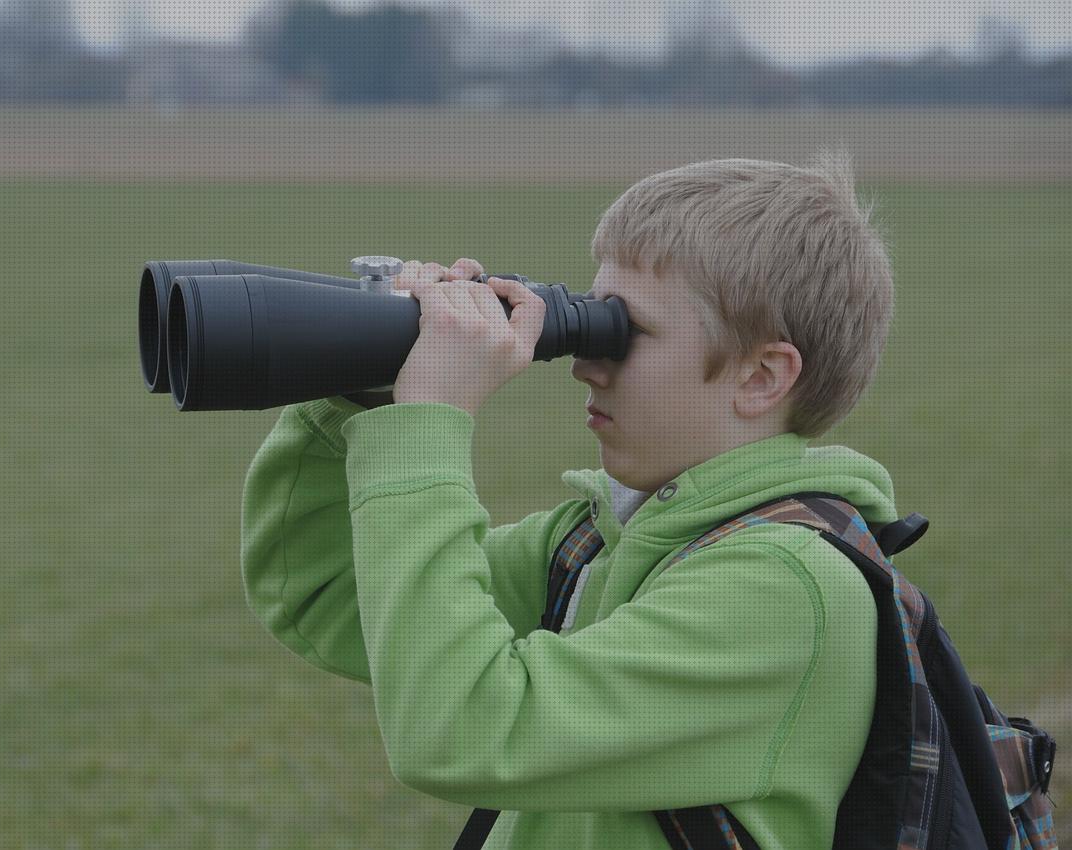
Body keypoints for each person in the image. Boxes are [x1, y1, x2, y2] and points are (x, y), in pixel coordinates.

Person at [240, 151, 897, 849]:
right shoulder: (601, 542)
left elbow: (464, 731)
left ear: (761, 376)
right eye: (588, 319)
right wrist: (360, 392)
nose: (585, 362)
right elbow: (327, 593)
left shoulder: (785, 586)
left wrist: (424, 427)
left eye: (625, 333)